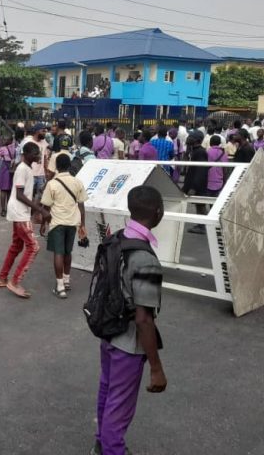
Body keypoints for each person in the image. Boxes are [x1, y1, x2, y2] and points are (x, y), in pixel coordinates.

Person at [91, 185, 167, 455]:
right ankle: (113, 449)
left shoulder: (118, 238)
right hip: (128, 343)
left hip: (109, 331)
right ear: (158, 213)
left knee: (107, 390)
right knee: (120, 406)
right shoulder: (146, 259)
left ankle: (102, 442)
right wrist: (156, 367)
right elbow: (144, 318)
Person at [0, 141, 41, 299]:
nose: (38, 155)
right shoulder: (22, 168)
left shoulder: (26, 168)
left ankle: (2, 277)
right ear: (26, 154)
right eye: (35, 153)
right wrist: (39, 209)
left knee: (16, 245)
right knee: (33, 247)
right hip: (20, 212)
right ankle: (14, 282)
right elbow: (20, 194)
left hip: (19, 211)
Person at [39, 153, 88, 298]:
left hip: (57, 223)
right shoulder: (77, 182)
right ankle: (66, 281)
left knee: (58, 253)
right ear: (69, 166)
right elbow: (82, 206)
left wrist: (43, 224)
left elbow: (46, 207)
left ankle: (60, 287)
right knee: (68, 252)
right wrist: (82, 225)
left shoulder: (52, 184)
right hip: (73, 222)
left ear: (57, 167)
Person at [183, 135, 209, 235]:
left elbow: (200, 170)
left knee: (201, 204)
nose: (188, 138)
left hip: (198, 183)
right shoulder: (194, 150)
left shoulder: (200, 152)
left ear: (197, 140)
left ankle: (202, 226)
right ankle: (200, 224)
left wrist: (194, 187)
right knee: (198, 205)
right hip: (195, 181)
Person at [0, 134, 17, 218]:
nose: (4, 141)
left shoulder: (3, 148)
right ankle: (9, 209)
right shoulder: (15, 148)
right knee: (9, 190)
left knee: (3, 190)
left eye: (5, 139)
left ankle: (3, 210)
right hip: (12, 169)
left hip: (4, 168)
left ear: (10, 141)